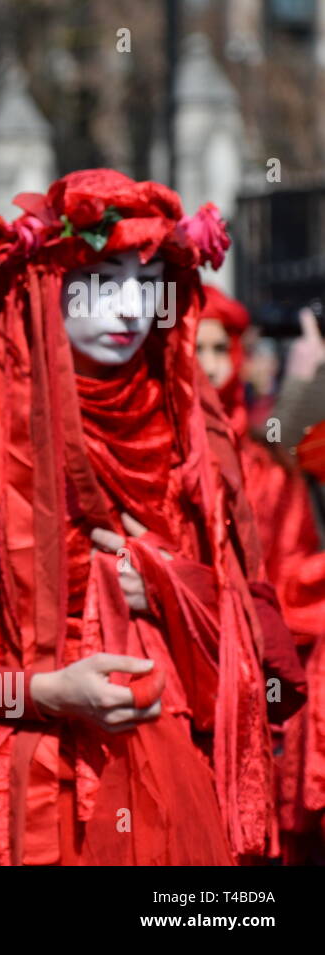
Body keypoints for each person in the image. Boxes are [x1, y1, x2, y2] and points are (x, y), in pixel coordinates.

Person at [0, 170, 305, 864]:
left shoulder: (199, 439)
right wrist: (46, 691)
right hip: (20, 813)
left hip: (178, 812)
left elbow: (275, 670)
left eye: (148, 278)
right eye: (103, 275)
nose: (130, 304)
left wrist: (179, 588)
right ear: (46, 281)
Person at [195, 284, 325, 863]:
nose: (207, 365)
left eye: (219, 349)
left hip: (260, 692)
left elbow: (293, 568)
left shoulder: (269, 469)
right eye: (192, 349)